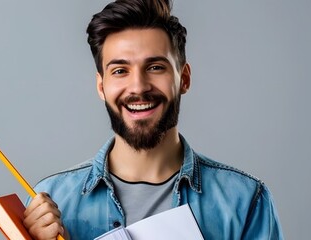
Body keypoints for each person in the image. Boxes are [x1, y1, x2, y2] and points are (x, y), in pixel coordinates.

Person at [23, 0, 283, 239]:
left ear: (184, 78)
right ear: (101, 86)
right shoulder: (51, 201)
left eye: (155, 67)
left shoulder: (246, 200)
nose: (138, 87)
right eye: (120, 71)